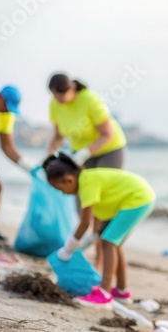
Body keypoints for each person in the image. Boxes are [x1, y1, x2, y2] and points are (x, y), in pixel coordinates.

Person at [43, 152, 156, 307]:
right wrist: (96, 234)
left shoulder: (87, 183)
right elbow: (98, 216)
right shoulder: (87, 178)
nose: (63, 194)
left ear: (68, 179)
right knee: (113, 243)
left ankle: (104, 293)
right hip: (138, 197)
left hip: (137, 198)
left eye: (61, 189)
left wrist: (67, 250)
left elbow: (84, 223)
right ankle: (122, 292)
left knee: (108, 242)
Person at [47, 73, 128, 268]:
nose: (58, 101)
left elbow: (107, 134)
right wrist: (48, 158)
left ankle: (102, 258)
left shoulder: (90, 100)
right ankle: (90, 248)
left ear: (72, 89)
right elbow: (57, 136)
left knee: (100, 204)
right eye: (55, 97)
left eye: (62, 96)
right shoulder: (55, 105)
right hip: (79, 153)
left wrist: (86, 153)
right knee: (83, 203)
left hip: (109, 148)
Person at [0, 85, 36, 242]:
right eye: (6, 106)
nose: (7, 111)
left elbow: (7, 146)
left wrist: (28, 167)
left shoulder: (6, 114)